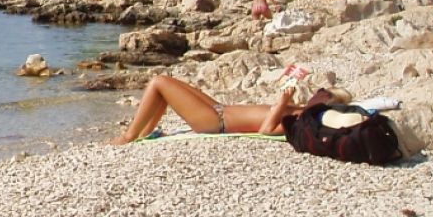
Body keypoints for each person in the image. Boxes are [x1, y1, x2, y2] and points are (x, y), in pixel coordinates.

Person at [111, 74, 303, 144]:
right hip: (219, 109)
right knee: (166, 85)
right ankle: (142, 132)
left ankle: (128, 137)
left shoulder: (303, 121)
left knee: (158, 82)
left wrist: (283, 101)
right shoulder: (303, 111)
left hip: (216, 121)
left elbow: (266, 130)